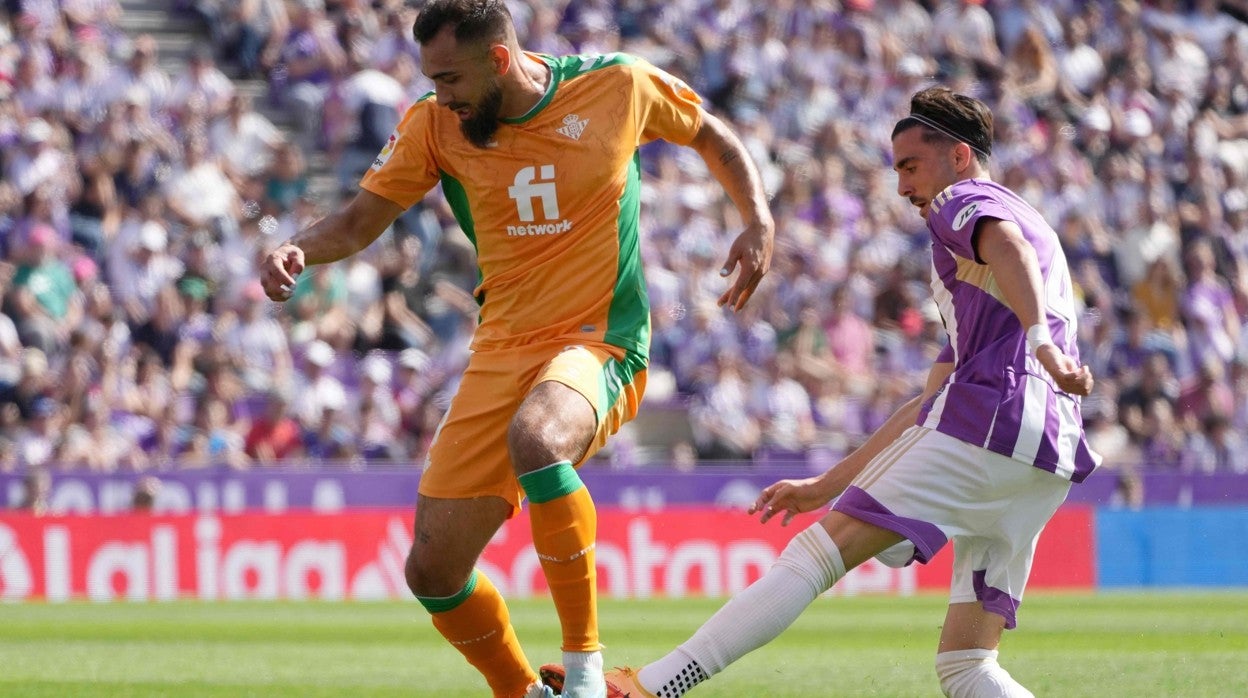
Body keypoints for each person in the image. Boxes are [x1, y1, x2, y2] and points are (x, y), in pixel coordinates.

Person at [257, 2, 774, 697]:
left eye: (450, 78)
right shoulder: (435, 125)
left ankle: (586, 673)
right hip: (500, 347)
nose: (441, 96)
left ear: (498, 58)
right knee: (432, 571)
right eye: (431, 81)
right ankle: (524, 691)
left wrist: (756, 217)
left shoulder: (617, 85)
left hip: (600, 339)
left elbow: (709, 133)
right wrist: (299, 247)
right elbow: (357, 222)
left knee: (538, 438)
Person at [548, 87, 1098, 698]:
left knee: (815, 554)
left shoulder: (962, 202)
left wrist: (1042, 341)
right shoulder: (1022, 242)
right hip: (1047, 452)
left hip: (992, 421)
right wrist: (823, 485)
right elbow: (928, 404)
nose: (902, 187)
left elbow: (1006, 248)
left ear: (960, 157)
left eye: (910, 166)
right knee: (968, 666)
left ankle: (650, 687)